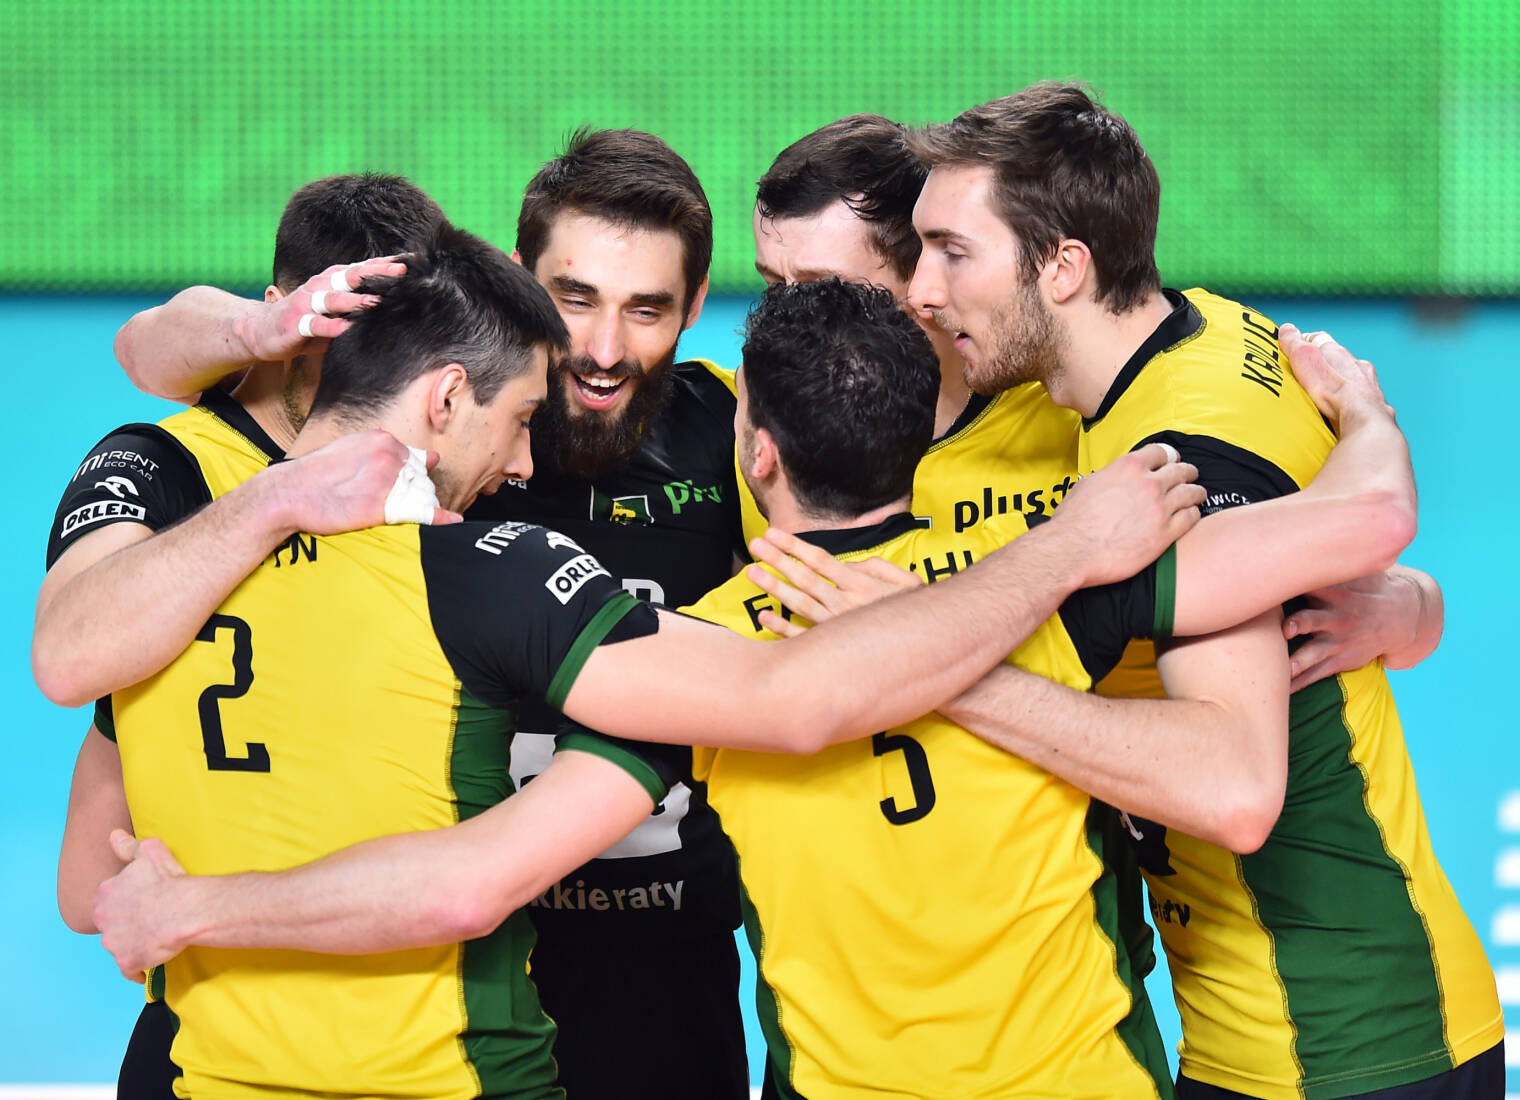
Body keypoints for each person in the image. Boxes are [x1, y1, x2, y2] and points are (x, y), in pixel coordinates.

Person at [95, 276, 1417, 1099]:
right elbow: (1354, 527)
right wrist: (1370, 455)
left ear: (758, 452)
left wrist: (195, 904)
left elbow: (477, 873)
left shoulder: (705, 655)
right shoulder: (1061, 575)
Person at [904, 82, 1502, 1098]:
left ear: (1063, 267)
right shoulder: (1212, 327)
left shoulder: (1179, 464)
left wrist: (933, 670)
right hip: (1311, 1020)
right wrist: (1409, 602)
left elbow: (1232, 790)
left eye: (952, 252)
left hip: (1331, 1046)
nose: (923, 289)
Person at [39, 172, 455, 1100]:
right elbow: (67, 661)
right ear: (280, 310)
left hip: (415, 1037)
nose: (363, 375)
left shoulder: (444, 471)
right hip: (210, 1045)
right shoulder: (164, 463)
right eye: (332, 334)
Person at [479, 129, 749, 1098]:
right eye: (575, 296)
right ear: (517, 276)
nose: (602, 351)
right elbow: (180, 356)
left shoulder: (741, 432)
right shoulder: (440, 424)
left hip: (673, 996)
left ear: (694, 306)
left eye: (646, 309)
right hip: (468, 986)